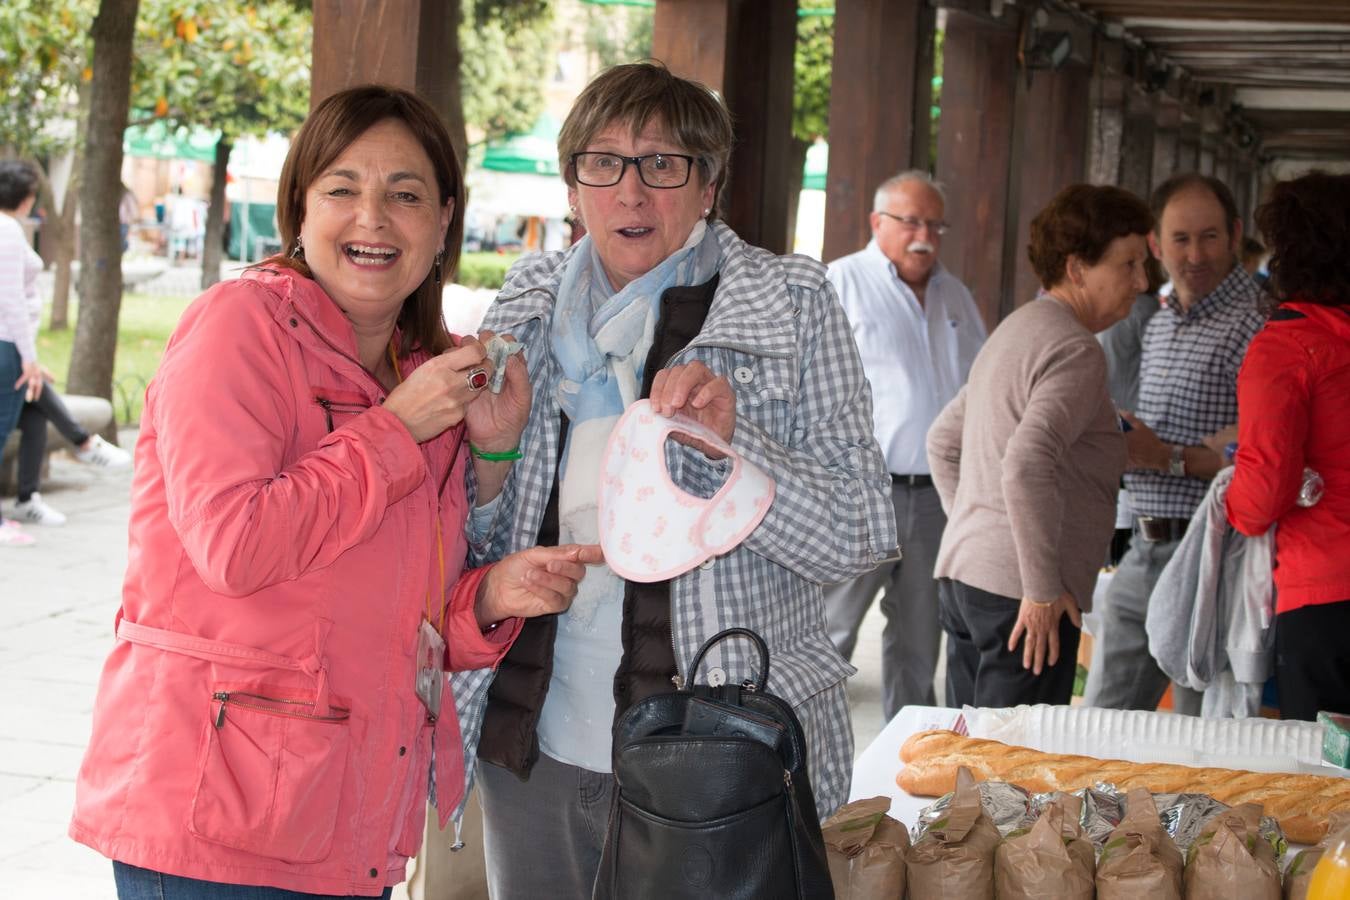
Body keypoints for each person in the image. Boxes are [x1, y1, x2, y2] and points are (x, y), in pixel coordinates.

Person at [70, 85, 603, 899]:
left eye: (405, 195)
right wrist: (396, 428)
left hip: (349, 812)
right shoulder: (236, 326)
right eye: (343, 190)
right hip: (217, 815)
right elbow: (235, 545)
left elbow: (401, 605)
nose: (373, 219)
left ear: (444, 220)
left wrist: (492, 549)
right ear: (299, 208)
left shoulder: (421, 366)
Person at [468, 62, 896, 898]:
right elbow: (466, 536)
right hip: (533, 749)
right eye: (604, 162)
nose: (631, 191)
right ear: (572, 183)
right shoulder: (521, 308)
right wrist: (490, 463)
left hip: (718, 766)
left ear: (709, 187)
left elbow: (861, 530)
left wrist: (735, 454)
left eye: (664, 164)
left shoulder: (791, 303)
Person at [926, 184, 1152, 708]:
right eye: (1128, 265)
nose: (1141, 282)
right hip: (1023, 597)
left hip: (969, 577)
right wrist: (1043, 588)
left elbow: (943, 441)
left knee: (972, 760)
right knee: (1009, 772)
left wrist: (978, 525)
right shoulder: (1076, 348)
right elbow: (1026, 463)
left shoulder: (1019, 327)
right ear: (1077, 269)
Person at [1083, 173, 1265, 714]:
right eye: (1180, 239)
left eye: (1209, 236)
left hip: (1209, 560)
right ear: (1156, 246)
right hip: (1140, 550)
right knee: (1101, 729)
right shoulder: (1160, 324)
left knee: (1199, 744)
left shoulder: (1258, 324)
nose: (1195, 254)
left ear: (1235, 236)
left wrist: (1166, 455)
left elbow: (1260, 460)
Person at [821, 170, 986, 717]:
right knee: (827, 635)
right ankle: (787, 765)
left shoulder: (955, 294)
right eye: (911, 221)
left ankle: (905, 775)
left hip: (935, 498)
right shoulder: (839, 283)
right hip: (859, 493)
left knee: (920, 646)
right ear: (877, 222)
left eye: (935, 225)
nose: (926, 236)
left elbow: (978, 389)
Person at [1226, 171, 1350, 721]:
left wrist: (1228, 497)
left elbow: (1260, 499)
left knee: (1329, 787)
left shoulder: (1286, 348)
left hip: (1325, 594)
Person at [0, 159, 44, 548]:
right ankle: (87, 445)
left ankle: (86, 444)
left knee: (34, 412)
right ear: (26, 197)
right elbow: (11, 299)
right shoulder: (9, 230)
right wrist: (29, 358)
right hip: (7, 345)